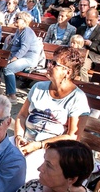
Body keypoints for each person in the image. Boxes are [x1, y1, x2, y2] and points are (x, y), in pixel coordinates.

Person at [15, 47, 90, 182]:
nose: (49, 65)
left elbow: (73, 136)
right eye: (50, 61)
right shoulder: (38, 87)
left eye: (54, 64)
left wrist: (38, 145)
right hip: (24, 141)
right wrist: (18, 136)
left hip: (51, 149)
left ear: (67, 71)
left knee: (20, 174)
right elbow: (22, 116)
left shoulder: (77, 98)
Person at [1, 12, 42, 101]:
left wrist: (13, 59)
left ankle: (12, 95)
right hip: (21, 58)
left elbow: (24, 48)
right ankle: (3, 91)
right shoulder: (19, 31)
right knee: (1, 64)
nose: (15, 20)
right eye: (15, 17)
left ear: (24, 21)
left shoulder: (27, 31)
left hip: (29, 59)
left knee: (8, 68)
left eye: (17, 18)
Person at [76, 7, 100, 82]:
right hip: (77, 54)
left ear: (97, 18)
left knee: (82, 68)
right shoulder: (81, 29)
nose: (88, 22)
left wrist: (90, 44)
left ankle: (84, 87)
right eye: (87, 20)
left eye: (91, 20)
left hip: (91, 57)